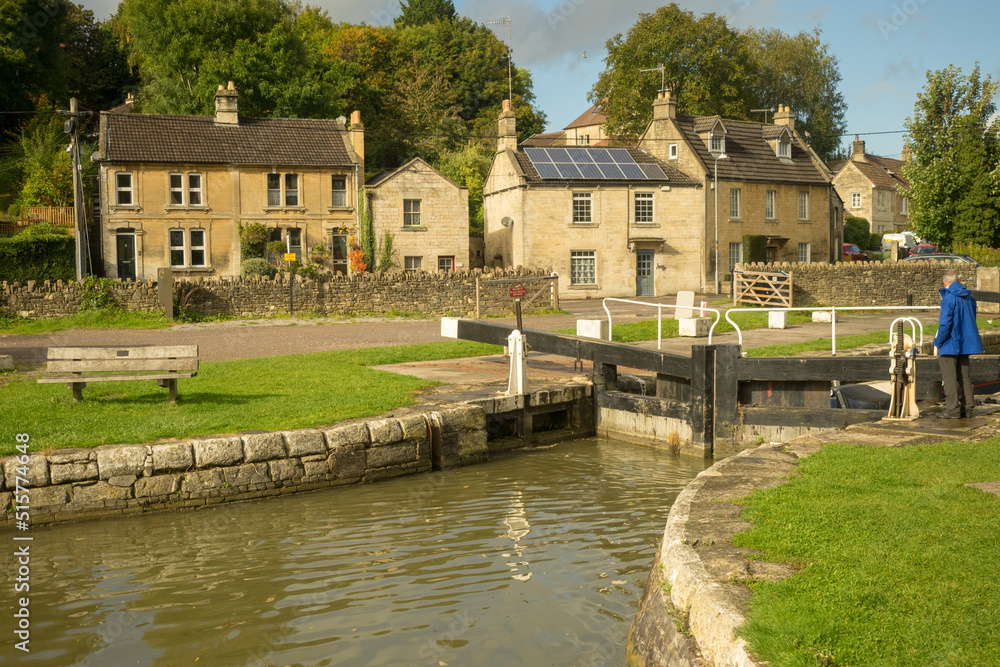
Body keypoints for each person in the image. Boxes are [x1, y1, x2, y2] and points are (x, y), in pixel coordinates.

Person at [932, 270, 983, 418]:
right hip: (965, 343)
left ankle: (953, 410)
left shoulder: (948, 299)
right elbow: (971, 318)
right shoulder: (969, 298)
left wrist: (938, 341)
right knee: (965, 377)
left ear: (945, 282)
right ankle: (968, 409)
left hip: (950, 343)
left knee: (949, 378)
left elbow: (945, 324)